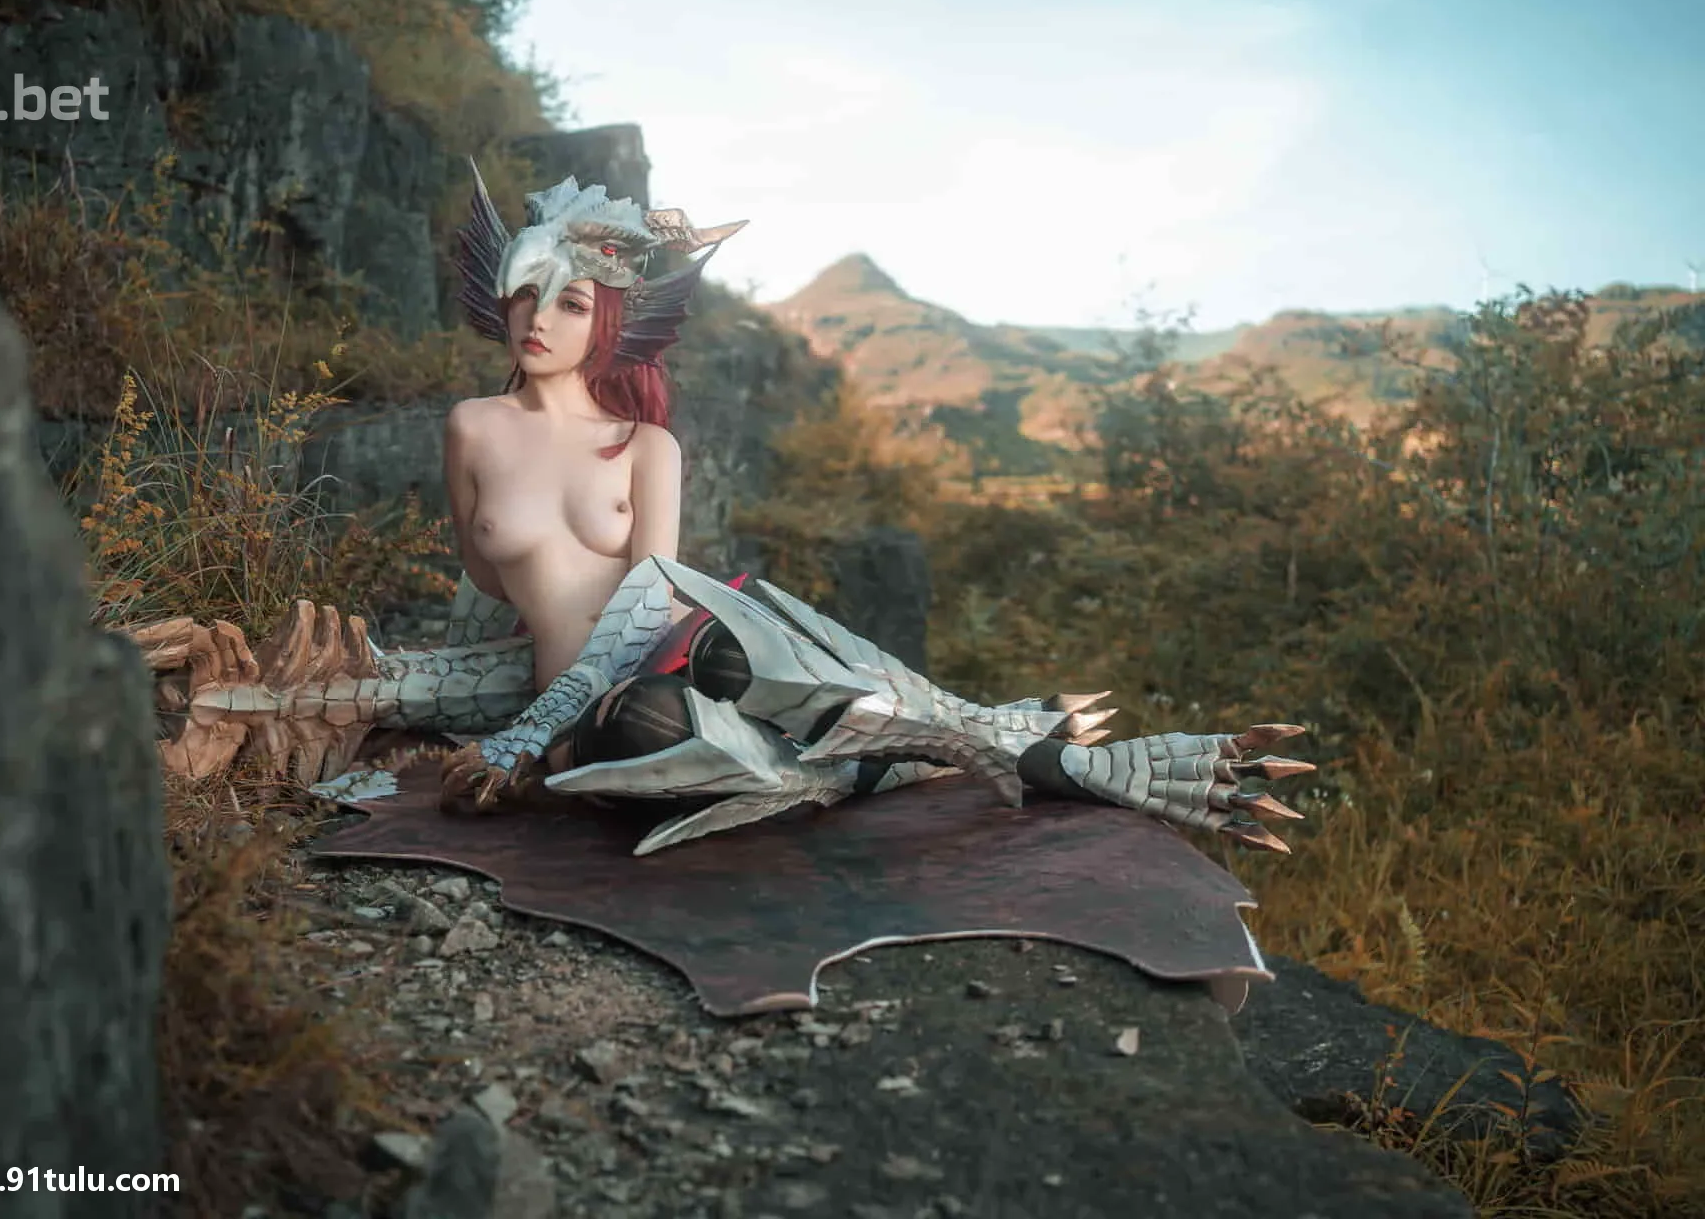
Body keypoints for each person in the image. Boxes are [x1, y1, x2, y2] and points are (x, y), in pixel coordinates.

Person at [134, 166, 1313, 857]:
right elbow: (492, 588)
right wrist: (449, 702)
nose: (540, 318)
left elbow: (653, 593)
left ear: (611, 320)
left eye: (572, 301)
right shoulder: (472, 427)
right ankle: (1000, 735)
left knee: (742, 687)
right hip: (593, 702)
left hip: (692, 646)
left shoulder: (646, 445)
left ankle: (1087, 764)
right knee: (647, 737)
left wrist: (518, 734)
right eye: (528, 293)